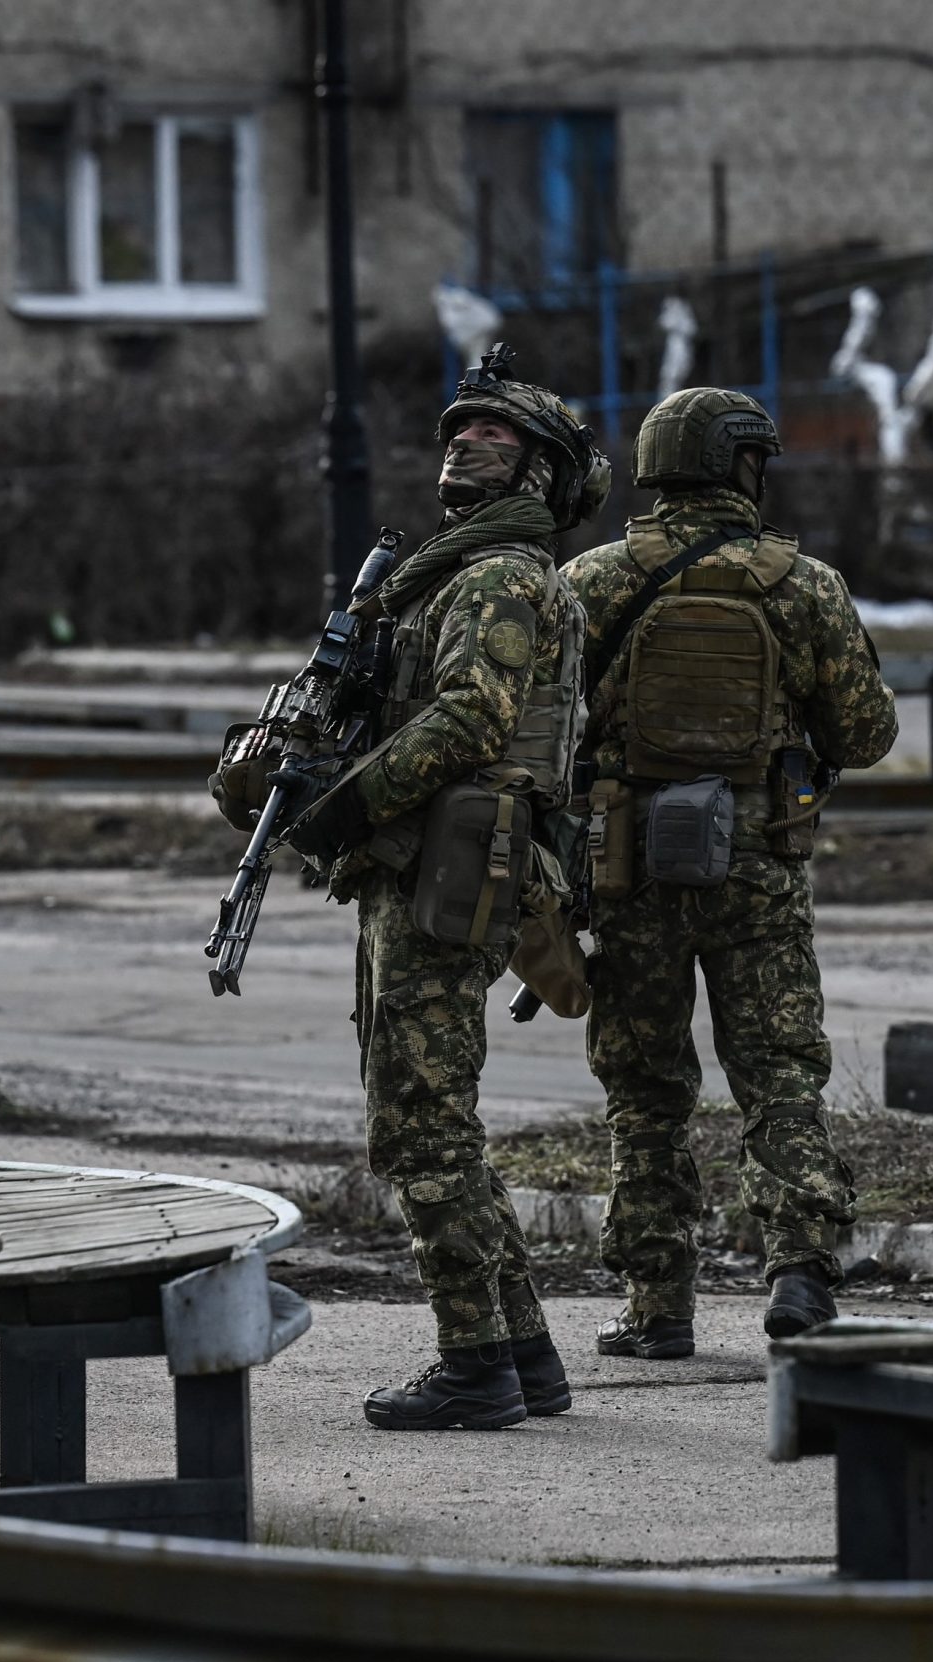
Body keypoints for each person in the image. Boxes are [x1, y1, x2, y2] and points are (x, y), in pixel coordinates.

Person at [283, 347, 608, 1429]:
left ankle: (473, 1365)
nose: (463, 439)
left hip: (455, 866)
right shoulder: (446, 571)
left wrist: (345, 807)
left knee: (419, 1124)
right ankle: (521, 1352)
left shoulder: (502, 574)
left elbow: (471, 719)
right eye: (458, 428)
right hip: (420, 862)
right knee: (434, 1120)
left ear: (536, 474)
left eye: (494, 433)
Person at [561, 387, 898, 1358]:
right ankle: (800, 1270)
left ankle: (656, 1303)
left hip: (626, 869)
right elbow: (865, 733)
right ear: (746, 466)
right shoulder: (801, 584)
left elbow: (542, 730)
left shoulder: (591, 581)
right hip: (758, 866)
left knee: (644, 1088)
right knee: (779, 1075)